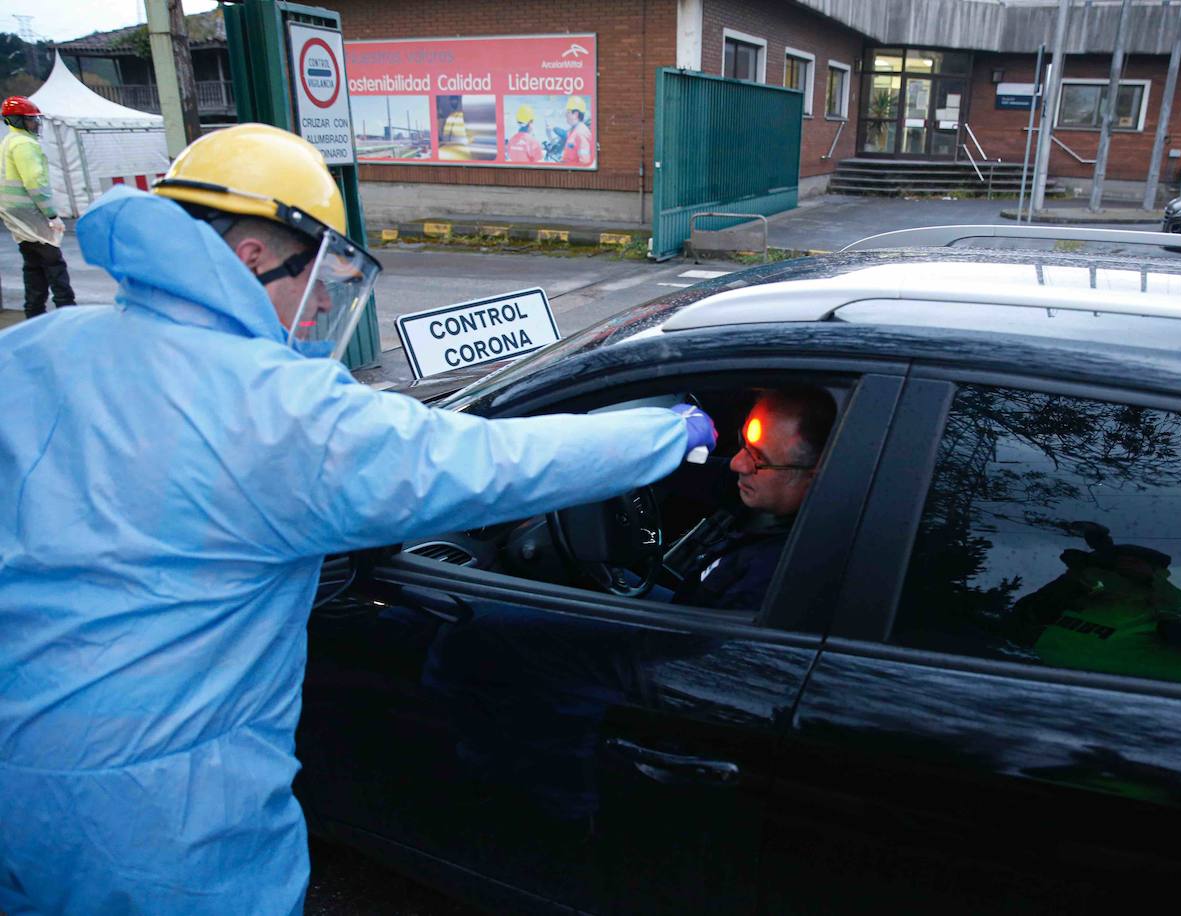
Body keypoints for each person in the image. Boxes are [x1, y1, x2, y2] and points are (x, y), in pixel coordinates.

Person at [0, 122, 716, 915]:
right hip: (161, 815)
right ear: (253, 257)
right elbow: (490, 464)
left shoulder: (39, 348)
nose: (314, 311)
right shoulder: (278, 408)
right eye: (316, 276)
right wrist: (663, 433)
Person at [670, 386, 836, 611]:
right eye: (744, 445)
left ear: (813, 476)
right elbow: (698, 476)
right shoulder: (770, 488)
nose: (737, 463)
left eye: (758, 457)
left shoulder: (770, 581)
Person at [1006, 522, 1181, 682]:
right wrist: (1077, 576)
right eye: (1116, 564)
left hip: (1122, 714)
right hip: (1027, 691)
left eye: (1132, 564)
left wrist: (1152, 585)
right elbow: (1020, 620)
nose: (1121, 570)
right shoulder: (1084, 600)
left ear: (1159, 573)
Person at [0, 95, 75, 319]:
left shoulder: (7, 142)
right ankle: (67, 312)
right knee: (54, 263)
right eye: (31, 120)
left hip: (14, 214)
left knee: (32, 265)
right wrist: (51, 214)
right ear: (17, 120)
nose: (35, 124)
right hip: (31, 212)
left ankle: (34, 314)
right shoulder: (25, 144)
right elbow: (35, 183)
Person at [562, 95, 594, 167]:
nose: (565, 115)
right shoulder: (573, 130)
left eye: (568, 112)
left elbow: (584, 162)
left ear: (576, 114)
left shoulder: (580, 133)